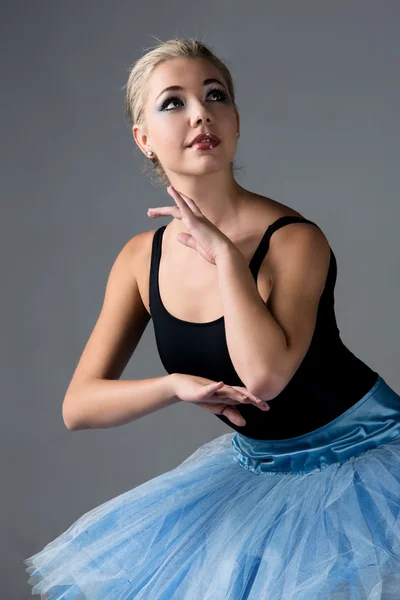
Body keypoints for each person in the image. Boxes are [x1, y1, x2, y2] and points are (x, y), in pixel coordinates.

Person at [24, 37, 400, 599]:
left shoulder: (294, 239)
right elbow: (78, 406)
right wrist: (173, 386)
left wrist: (224, 254)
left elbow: (265, 378)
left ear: (236, 119)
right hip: (260, 472)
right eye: (173, 102)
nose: (201, 112)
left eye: (215, 95)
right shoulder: (138, 258)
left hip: (366, 460)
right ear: (143, 139)